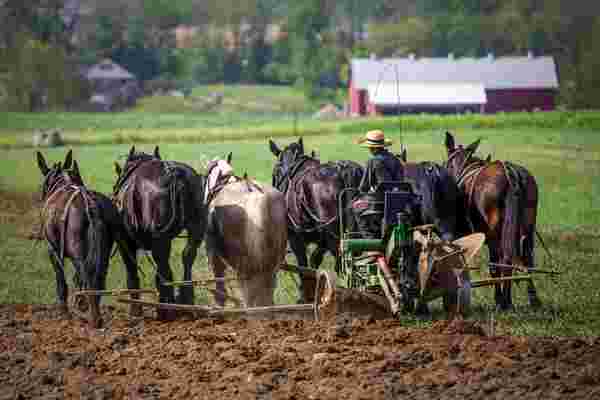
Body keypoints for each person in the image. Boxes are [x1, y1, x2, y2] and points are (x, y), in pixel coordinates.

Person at [351, 130, 405, 239]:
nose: (369, 150)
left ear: (374, 148)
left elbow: (363, 187)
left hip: (379, 203)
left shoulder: (373, 162)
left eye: (370, 147)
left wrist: (359, 194)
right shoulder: (396, 160)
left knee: (355, 207)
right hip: (398, 201)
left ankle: (370, 238)